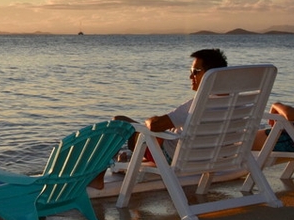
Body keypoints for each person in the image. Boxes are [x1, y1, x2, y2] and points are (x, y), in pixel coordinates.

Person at [89, 48, 228, 188]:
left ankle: (98, 178)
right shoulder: (238, 104)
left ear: (212, 75)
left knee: (119, 121)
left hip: (172, 158)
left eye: (195, 72)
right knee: (164, 132)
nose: (191, 77)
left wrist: (148, 121)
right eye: (190, 71)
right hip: (207, 158)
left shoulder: (196, 105)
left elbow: (155, 126)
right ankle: (124, 162)